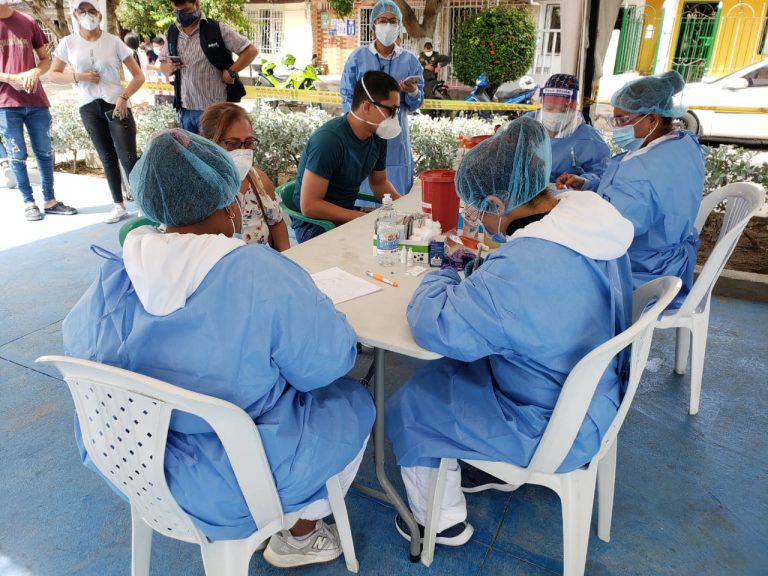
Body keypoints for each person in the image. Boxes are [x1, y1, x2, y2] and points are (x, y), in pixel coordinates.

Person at [62, 129, 375, 569]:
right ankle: (301, 533)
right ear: (231, 203)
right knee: (353, 400)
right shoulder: (255, 271)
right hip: (236, 481)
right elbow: (325, 365)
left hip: (130, 461)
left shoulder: (116, 271)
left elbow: (80, 352)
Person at [385, 116, 635, 546]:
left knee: (413, 400)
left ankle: (439, 523)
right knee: (457, 374)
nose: (474, 215)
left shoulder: (522, 268)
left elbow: (436, 327)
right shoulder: (589, 220)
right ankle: (476, 465)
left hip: (547, 424)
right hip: (598, 394)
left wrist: (448, 265)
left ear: (499, 204)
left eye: (476, 206)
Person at [556, 70, 704, 308]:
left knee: (561, 275)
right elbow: (632, 197)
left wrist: (563, 218)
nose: (617, 127)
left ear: (653, 119)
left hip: (644, 269)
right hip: (666, 256)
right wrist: (588, 185)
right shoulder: (680, 144)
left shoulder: (645, 170)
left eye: (623, 119)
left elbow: (614, 228)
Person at [49, 1, 145, 224]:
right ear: (75, 14)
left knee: (128, 156)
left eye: (91, 11)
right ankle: (118, 204)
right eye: (82, 11)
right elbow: (54, 74)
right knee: (107, 156)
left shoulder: (113, 42)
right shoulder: (68, 43)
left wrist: (124, 98)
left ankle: (142, 203)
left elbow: (138, 76)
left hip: (115, 103)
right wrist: (78, 76)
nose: (87, 15)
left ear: (100, 16)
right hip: (88, 105)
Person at [292, 71, 401, 243]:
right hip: (315, 225)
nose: (395, 117)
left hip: (347, 213)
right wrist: (360, 218)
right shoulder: (329, 140)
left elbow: (379, 183)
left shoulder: (377, 137)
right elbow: (310, 205)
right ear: (366, 107)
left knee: (400, 239)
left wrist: (404, 209)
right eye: (392, 110)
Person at [0, 1, 77, 221]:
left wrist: (34, 71)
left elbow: (45, 60)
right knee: (17, 155)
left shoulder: (27, 21)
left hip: (36, 101)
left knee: (44, 151)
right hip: (5, 103)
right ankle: (28, 202)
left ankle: (50, 200)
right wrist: (9, 78)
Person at [341, 0, 423, 201]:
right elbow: (347, 96)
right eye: (383, 21)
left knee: (394, 200)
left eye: (393, 21)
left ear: (399, 26)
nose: (388, 26)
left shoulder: (410, 60)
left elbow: (416, 103)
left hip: (395, 138)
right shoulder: (358, 57)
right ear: (373, 26)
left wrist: (412, 92)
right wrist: (359, 124)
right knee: (362, 195)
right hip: (363, 133)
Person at [158, 0, 258, 134]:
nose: (182, 15)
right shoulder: (171, 32)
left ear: (197, 4)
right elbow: (163, 66)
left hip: (214, 112)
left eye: (186, 10)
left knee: (213, 153)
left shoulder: (217, 29)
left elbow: (251, 51)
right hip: (186, 110)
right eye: (178, 11)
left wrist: (231, 71)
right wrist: (169, 67)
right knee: (191, 153)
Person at [200, 102, 290, 250]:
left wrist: (287, 261)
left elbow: (277, 224)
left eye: (248, 143)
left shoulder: (258, 180)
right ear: (210, 144)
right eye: (233, 144)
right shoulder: (199, 188)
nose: (243, 151)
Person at [531, 74, 610, 184]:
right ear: (542, 103)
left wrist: (582, 181)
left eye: (563, 110)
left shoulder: (589, 138)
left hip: (566, 197)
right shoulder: (526, 125)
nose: (555, 114)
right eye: (549, 108)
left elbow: (604, 175)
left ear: (574, 108)